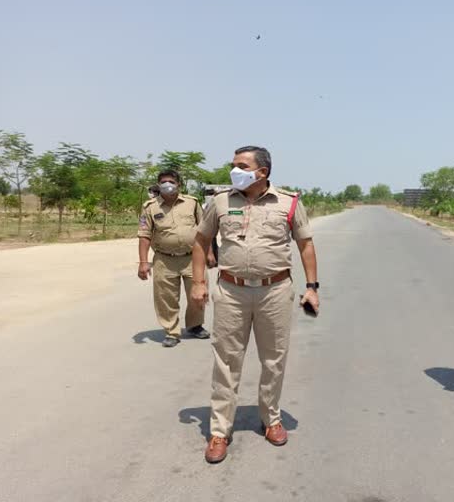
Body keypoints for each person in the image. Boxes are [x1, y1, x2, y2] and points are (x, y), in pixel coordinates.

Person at [190, 145, 320, 464]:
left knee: (273, 359)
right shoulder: (220, 202)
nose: (233, 170)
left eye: (240, 165)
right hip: (231, 292)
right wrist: (198, 282)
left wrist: (312, 287)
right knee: (226, 361)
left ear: (261, 172)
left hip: (275, 291)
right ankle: (220, 430)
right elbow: (200, 241)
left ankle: (271, 419)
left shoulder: (288, 203)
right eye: (233, 165)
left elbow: (305, 245)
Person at [137, 170, 214, 348]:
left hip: (192, 258)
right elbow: (144, 235)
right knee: (166, 297)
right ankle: (171, 331)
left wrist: (209, 253)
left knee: (198, 294)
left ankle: (195, 325)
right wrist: (143, 262)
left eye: (171, 181)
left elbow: (205, 231)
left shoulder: (192, 203)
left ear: (179, 184)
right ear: (158, 185)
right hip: (165, 259)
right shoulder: (150, 207)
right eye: (163, 182)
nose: (167, 184)